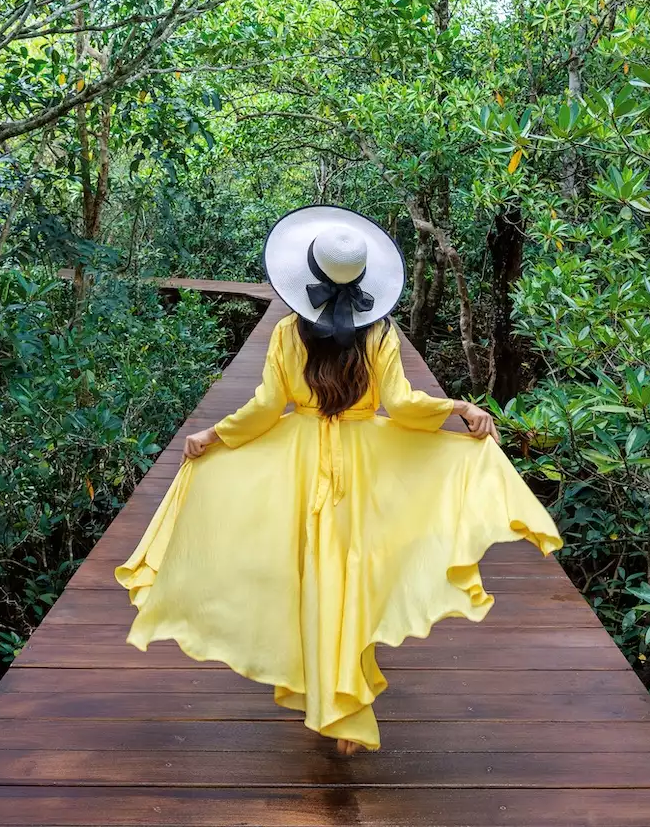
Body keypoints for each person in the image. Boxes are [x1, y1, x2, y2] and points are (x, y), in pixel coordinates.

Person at [115, 205, 563, 755]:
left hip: (300, 462)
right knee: (352, 575)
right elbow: (400, 406)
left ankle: (326, 692)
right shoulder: (380, 334)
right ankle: (346, 701)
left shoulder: (286, 333)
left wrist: (215, 436)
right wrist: (457, 408)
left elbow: (263, 409)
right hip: (363, 464)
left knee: (310, 571)